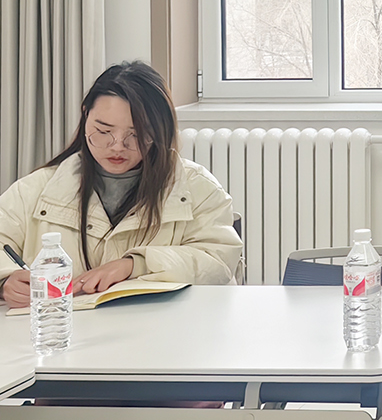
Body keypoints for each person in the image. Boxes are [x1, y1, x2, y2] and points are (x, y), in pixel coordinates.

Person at [0, 62, 243, 308]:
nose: (117, 146)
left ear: (160, 130)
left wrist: (136, 265)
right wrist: (5, 280)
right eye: (103, 131)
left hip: (161, 328)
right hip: (64, 329)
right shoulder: (34, 190)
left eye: (136, 134)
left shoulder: (198, 188)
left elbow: (219, 262)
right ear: (85, 116)